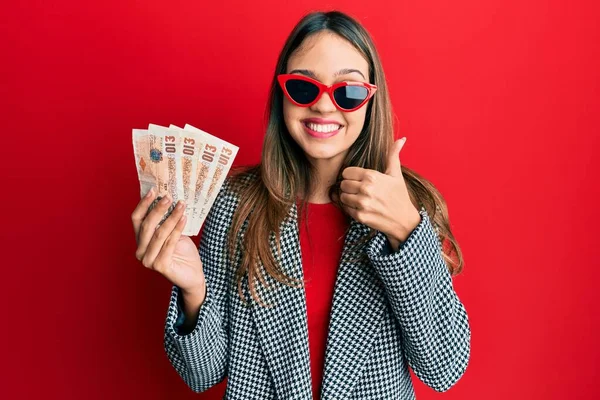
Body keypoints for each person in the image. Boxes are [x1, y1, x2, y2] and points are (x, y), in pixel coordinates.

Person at [131, 10, 471, 400]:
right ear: (283, 96)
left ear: (370, 100)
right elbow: (202, 375)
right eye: (305, 89)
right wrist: (194, 290)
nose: (325, 107)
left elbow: (443, 368)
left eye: (349, 91)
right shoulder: (234, 206)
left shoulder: (411, 206)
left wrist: (407, 231)